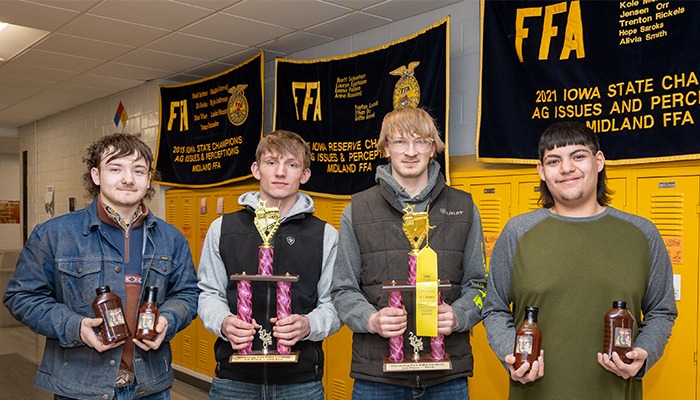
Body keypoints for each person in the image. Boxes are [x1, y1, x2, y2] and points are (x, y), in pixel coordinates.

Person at [482, 121, 677, 399]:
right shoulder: (517, 232)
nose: (566, 168)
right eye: (553, 160)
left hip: (615, 392)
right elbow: (494, 309)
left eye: (578, 156)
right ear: (541, 171)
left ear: (598, 161)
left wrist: (644, 352)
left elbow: (661, 310)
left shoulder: (642, 234)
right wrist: (510, 354)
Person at [3, 133, 199, 399]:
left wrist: (168, 319)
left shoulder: (171, 238)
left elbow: (187, 294)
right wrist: (75, 327)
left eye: (138, 170)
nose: (128, 178)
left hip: (150, 387)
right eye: (115, 168)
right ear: (96, 175)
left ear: (149, 178)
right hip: (81, 387)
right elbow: (21, 297)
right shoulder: (54, 234)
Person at [331, 106, 487, 399]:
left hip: (447, 376)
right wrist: (371, 319)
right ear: (386, 148)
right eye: (400, 141)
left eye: (421, 141)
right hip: (377, 376)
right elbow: (343, 289)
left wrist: (460, 315)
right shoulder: (357, 210)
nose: (411, 151)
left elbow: (479, 285)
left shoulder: (465, 207)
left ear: (433, 149)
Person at [197, 130, 341, 400]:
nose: (281, 172)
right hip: (234, 380)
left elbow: (334, 303)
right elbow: (209, 293)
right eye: (272, 162)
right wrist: (224, 322)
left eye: (292, 164)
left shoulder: (325, 235)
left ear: (305, 175)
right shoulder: (223, 228)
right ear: (256, 169)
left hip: (300, 382)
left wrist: (309, 324)